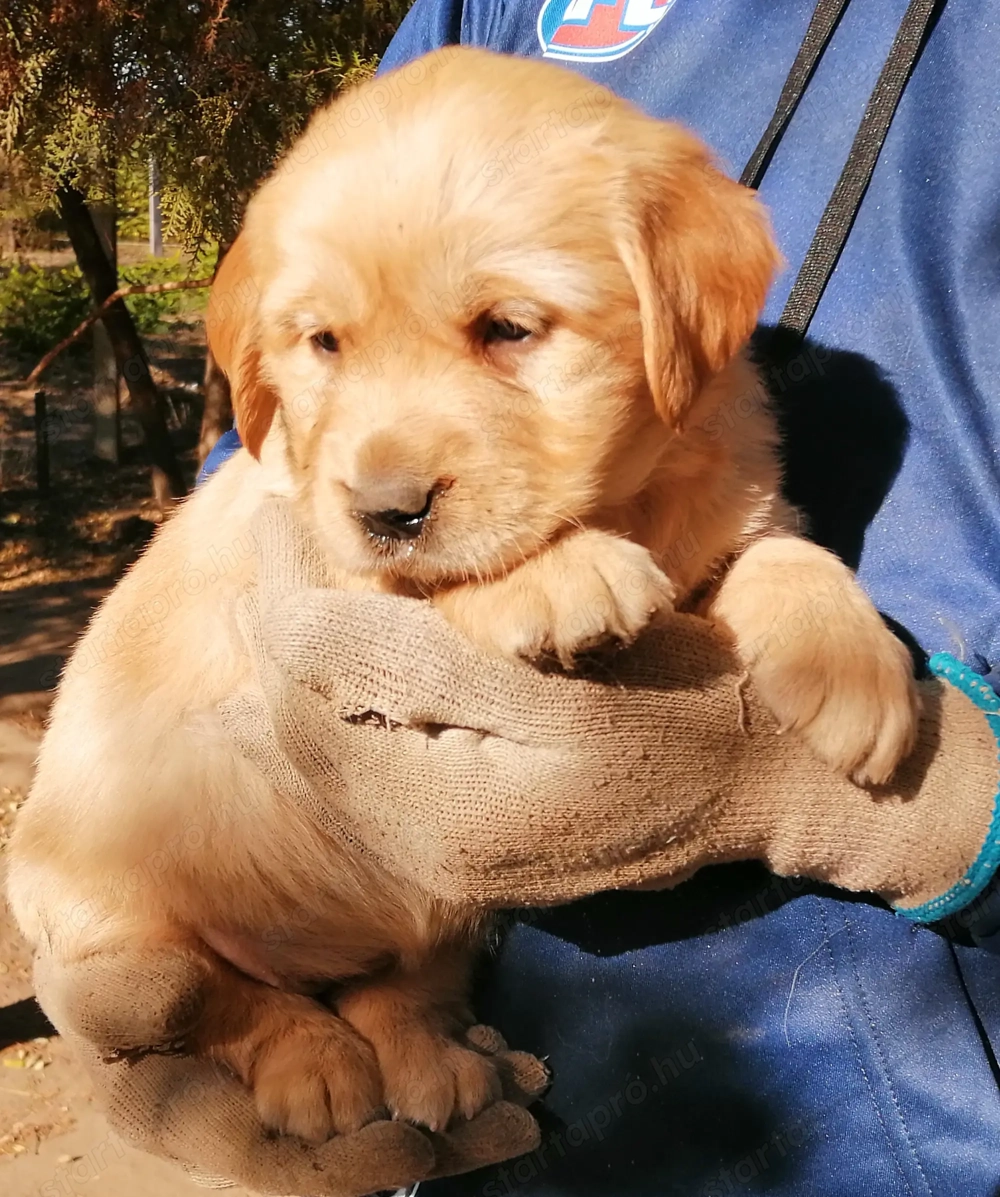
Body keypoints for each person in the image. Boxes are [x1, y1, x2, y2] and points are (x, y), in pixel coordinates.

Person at [40, 2, 1000, 1194]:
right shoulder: (472, 19)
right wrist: (126, 955)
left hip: (892, 1123)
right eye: (325, 342)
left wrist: (952, 801)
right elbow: (270, 451)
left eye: (504, 328)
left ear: (685, 311)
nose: (386, 470)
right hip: (323, 954)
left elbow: (740, 527)